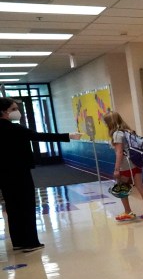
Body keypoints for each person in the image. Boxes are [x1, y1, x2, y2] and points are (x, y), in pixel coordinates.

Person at [0, 97, 82, 252]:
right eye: (13, 109)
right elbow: (39, 136)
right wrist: (68, 136)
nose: (17, 112)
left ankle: (18, 241)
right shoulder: (15, 129)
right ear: (3, 111)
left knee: (13, 207)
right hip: (20, 172)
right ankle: (30, 242)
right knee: (26, 206)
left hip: (4, 175)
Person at [103, 111, 143, 221]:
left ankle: (128, 211)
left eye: (106, 122)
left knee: (121, 187)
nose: (105, 124)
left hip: (125, 165)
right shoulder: (127, 131)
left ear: (110, 122)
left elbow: (119, 153)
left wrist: (117, 169)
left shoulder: (116, 134)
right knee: (140, 186)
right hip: (136, 162)